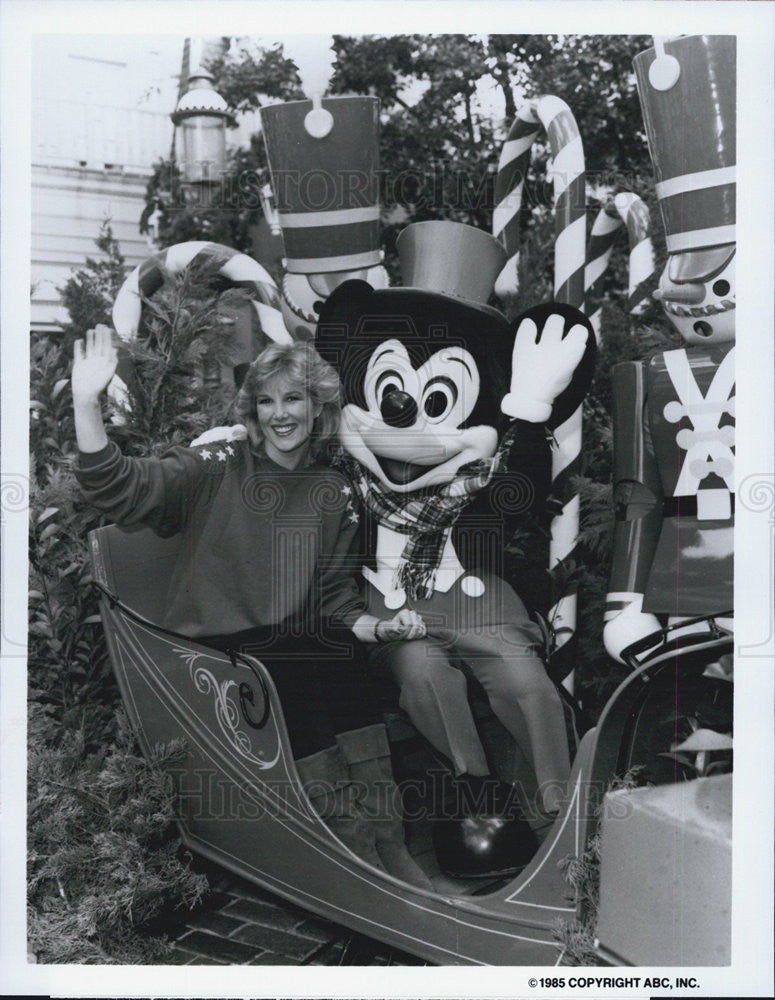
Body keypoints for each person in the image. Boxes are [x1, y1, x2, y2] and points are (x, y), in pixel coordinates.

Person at [72, 325, 431, 888]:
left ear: (318, 406)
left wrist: (382, 627)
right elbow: (118, 488)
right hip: (209, 646)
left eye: (293, 398)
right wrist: (84, 403)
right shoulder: (218, 462)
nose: (279, 414)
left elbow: (333, 600)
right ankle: (351, 853)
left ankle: (390, 840)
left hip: (284, 639)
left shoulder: (332, 488)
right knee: (291, 663)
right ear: (253, 410)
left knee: (340, 655)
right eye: (266, 401)